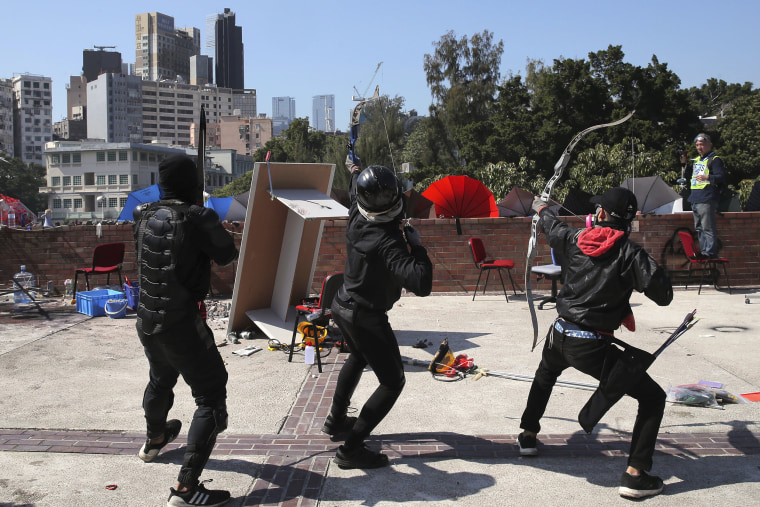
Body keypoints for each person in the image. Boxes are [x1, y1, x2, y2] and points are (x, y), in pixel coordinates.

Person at [518, 187, 673, 499]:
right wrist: (645, 265)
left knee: (546, 375)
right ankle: (635, 474)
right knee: (653, 398)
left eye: (598, 209)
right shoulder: (630, 253)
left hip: (560, 334)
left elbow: (550, 222)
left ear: (601, 214)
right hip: (591, 344)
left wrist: (541, 207)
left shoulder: (575, 237)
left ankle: (528, 435)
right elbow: (663, 295)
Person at [133, 154, 239, 507]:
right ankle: (185, 488)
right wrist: (205, 217)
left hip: (147, 320)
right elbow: (226, 254)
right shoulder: (198, 218)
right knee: (210, 397)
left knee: (160, 379)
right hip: (181, 323)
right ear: (192, 184)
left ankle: (155, 439)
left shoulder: (142, 214)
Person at [322, 156, 433, 469]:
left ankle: (336, 420)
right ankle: (351, 449)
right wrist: (418, 247)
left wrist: (355, 169)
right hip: (365, 316)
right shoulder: (389, 242)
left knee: (358, 357)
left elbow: (357, 186)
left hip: (341, 304)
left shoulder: (356, 214)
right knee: (392, 381)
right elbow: (421, 283)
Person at [688, 133, 725, 257]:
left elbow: (721, 177)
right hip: (696, 197)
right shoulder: (697, 160)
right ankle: (704, 251)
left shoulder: (715, 159)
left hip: (707, 196)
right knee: (699, 227)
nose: (699, 147)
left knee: (707, 227)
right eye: (697, 145)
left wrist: (707, 177)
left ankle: (710, 252)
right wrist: (683, 163)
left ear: (709, 144)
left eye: (702, 144)